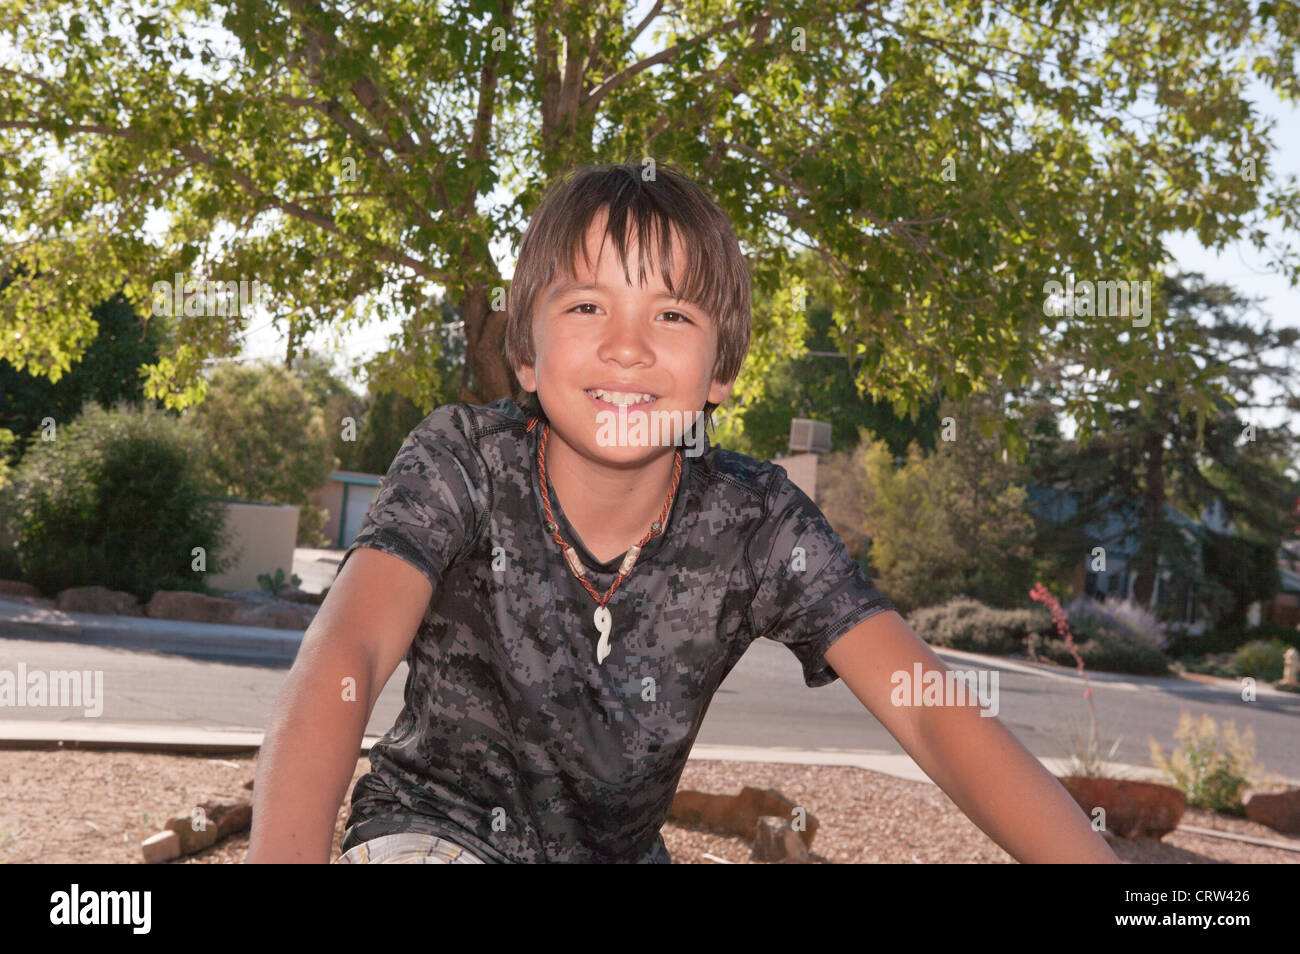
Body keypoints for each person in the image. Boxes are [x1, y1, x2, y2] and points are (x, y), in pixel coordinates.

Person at [247, 160, 1118, 864]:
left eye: (671, 313)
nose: (626, 346)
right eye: (587, 306)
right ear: (526, 350)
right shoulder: (463, 462)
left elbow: (930, 707)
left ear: (720, 372)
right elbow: (346, 655)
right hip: (433, 833)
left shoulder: (756, 524)